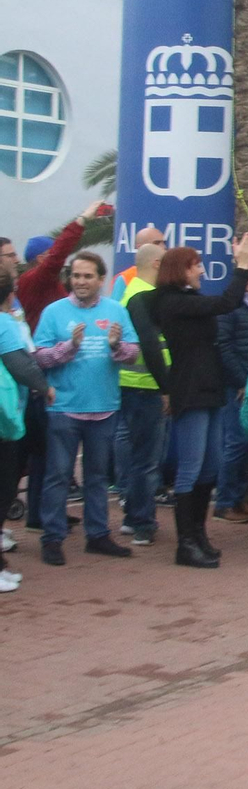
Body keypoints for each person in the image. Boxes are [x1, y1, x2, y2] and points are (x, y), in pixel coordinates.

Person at [151, 237, 248, 568]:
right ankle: (185, 544)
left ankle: (198, 534)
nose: (201, 271)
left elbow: (220, 305)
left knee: (211, 465)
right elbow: (227, 302)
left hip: (210, 389)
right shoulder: (170, 302)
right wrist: (242, 264)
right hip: (191, 390)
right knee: (191, 467)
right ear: (181, 269)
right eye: (196, 265)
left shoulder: (189, 299)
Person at [34, 251, 143, 566]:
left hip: (104, 408)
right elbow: (39, 357)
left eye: (87, 276)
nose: (80, 282)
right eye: (76, 276)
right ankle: (52, 538)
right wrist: (69, 347)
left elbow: (133, 354)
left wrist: (116, 345)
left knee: (97, 477)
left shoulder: (116, 311)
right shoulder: (54, 312)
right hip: (63, 408)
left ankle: (97, 535)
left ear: (101, 279)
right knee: (58, 476)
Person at [111, 242, 168, 546]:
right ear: (156, 264)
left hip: (135, 384)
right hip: (145, 386)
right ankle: (141, 521)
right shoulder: (142, 295)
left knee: (139, 456)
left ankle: (133, 516)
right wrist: (165, 386)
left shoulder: (133, 292)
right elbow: (150, 345)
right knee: (146, 460)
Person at [0, 271, 48, 587]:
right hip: (4, 421)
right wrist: (45, 387)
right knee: (4, 488)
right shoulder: (5, 323)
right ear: (10, 294)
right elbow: (20, 364)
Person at [213, 268, 248, 525]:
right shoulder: (230, 305)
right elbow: (223, 346)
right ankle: (224, 503)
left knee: (247, 443)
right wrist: (241, 382)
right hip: (236, 386)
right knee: (235, 443)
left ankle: (239, 498)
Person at [16, 201, 98, 330]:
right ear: (41, 259)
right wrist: (82, 219)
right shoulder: (37, 278)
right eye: (52, 252)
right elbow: (59, 253)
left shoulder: (31, 280)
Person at [111, 226, 167, 303]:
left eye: (164, 243)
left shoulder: (168, 276)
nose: (163, 247)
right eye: (157, 243)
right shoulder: (125, 278)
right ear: (140, 247)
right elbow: (116, 307)